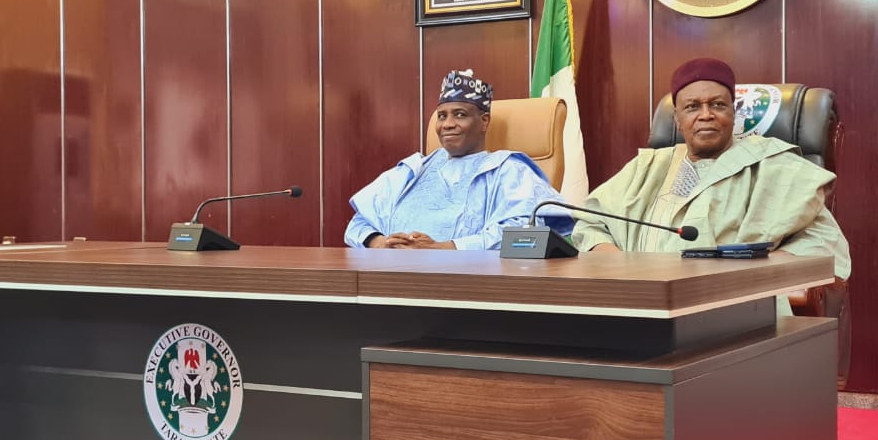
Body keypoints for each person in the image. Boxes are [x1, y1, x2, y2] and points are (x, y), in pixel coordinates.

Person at [570, 57, 851, 280]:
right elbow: (591, 223)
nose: (706, 115)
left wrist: (755, 273)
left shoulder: (773, 163)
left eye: (717, 105)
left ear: (734, 112)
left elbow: (825, 243)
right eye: (692, 107)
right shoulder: (649, 166)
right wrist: (619, 265)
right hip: (641, 300)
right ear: (677, 118)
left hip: (735, 304)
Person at [345, 69, 572, 250]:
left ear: (484, 121)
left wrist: (444, 249)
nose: (448, 124)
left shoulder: (509, 170)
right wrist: (381, 243)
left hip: (472, 284)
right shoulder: (413, 170)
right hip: (392, 278)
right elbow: (358, 224)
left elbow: (523, 235)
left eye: (460, 115)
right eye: (442, 116)